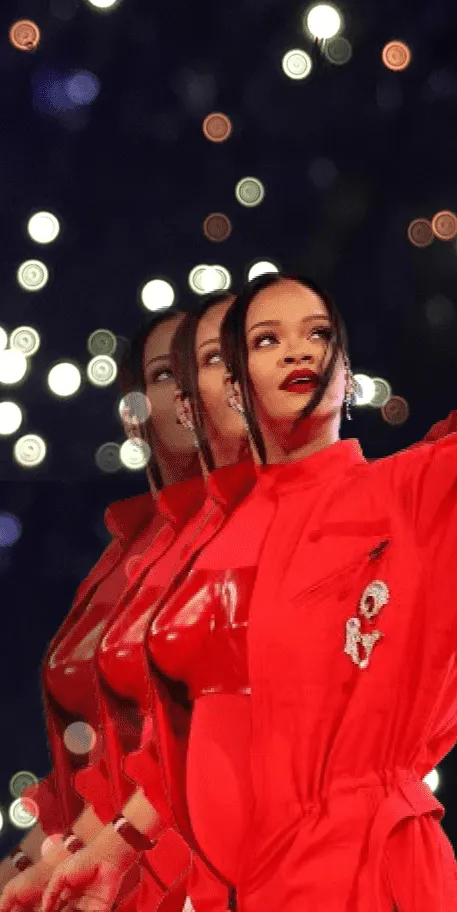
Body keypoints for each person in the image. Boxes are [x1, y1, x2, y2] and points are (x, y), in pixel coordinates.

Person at [37, 281, 457, 912]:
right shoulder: (221, 541)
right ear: (235, 384)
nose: (297, 353)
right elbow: (193, 733)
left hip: (368, 876)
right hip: (243, 891)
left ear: (347, 371)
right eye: (267, 341)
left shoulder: (401, 492)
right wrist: (111, 849)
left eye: (318, 335)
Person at [0, 309, 202, 911]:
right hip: (94, 873)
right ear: (132, 414)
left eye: (212, 361)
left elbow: (211, 739)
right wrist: (29, 862)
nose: (192, 387)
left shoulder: (262, 533)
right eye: (168, 373)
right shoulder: (129, 547)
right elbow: (90, 757)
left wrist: (114, 847)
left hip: (187, 870)